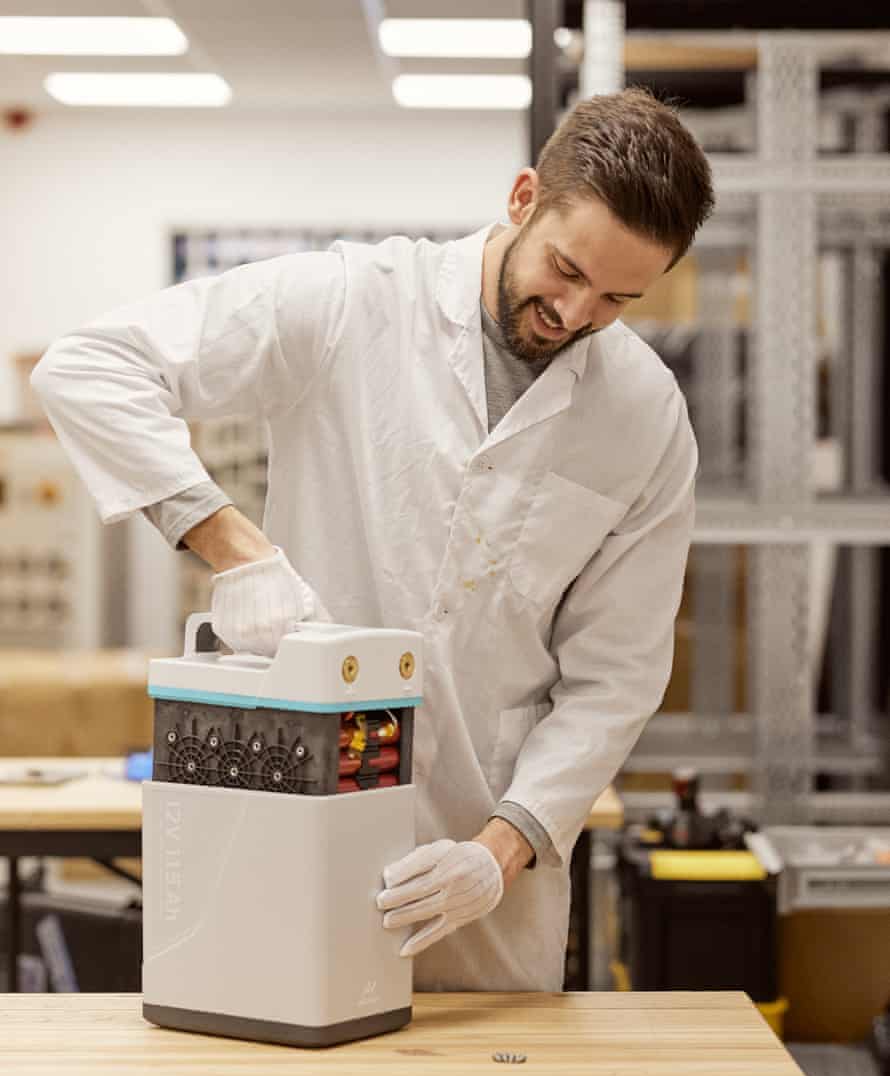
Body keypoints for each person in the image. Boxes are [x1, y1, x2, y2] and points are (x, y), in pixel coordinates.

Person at [32, 88, 714, 992]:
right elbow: (90, 367)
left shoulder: (644, 415)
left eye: (617, 299)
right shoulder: (353, 300)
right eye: (565, 271)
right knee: (268, 1049)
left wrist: (504, 849)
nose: (575, 314)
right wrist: (235, 547)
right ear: (522, 199)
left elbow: (615, 674)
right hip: (288, 808)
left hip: (480, 873)